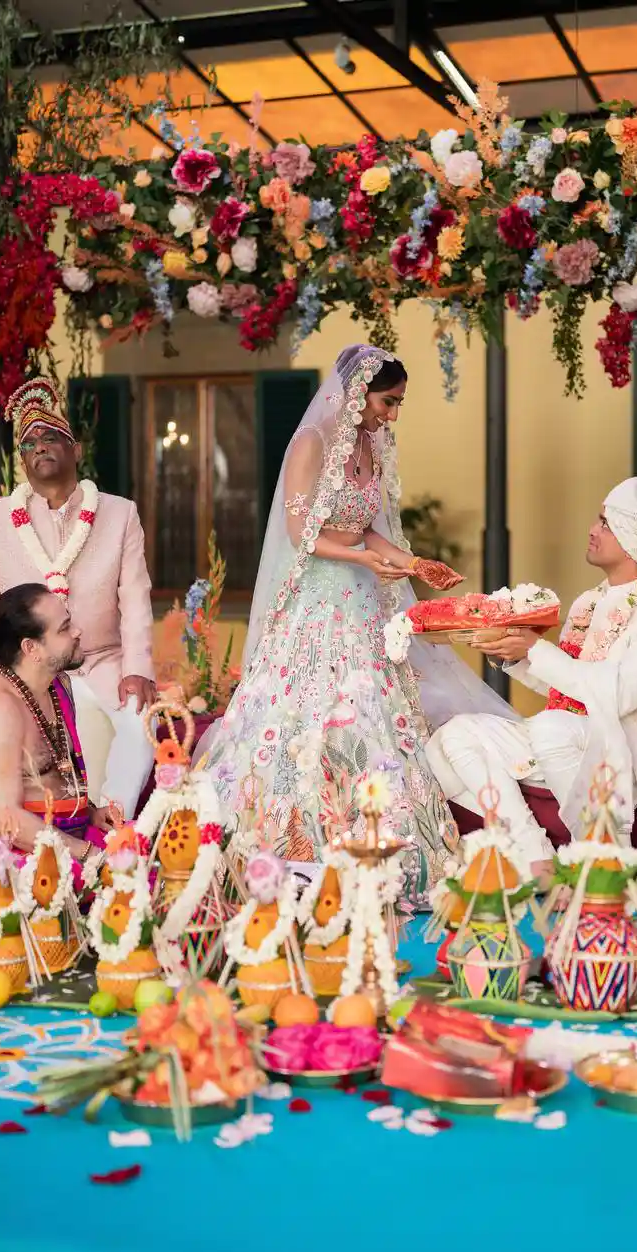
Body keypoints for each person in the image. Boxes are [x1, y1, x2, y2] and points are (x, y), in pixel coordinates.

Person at [202, 344, 514, 907]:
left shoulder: (371, 444)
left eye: (398, 404)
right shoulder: (311, 444)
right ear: (356, 392)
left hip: (365, 601)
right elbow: (302, 535)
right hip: (318, 605)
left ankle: (381, 852)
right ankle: (286, 847)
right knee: (305, 718)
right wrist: (364, 562)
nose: (391, 415)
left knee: (375, 717)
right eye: (387, 402)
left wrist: (411, 562)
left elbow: (364, 529)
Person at [426, 478, 637, 867]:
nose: (592, 529)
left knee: (553, 727)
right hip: (571, 732)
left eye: (605, 522)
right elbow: (569, 681)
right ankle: (535, 855)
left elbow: (618, 694)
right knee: (452, 737)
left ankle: (601, 860)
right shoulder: (592, 602)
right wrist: (512, 654)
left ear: (635, 538)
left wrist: (536, 648)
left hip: (636, 747)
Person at [0, 377, 155, 817]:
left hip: (102, 659)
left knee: (140, 722)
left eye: (50, 437)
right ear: (21, 461)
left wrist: (138, 669)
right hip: (26, 672)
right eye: (28, 443)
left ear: (76, 449)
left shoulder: (119, 514)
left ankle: (113, 824)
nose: (39, 446)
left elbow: (136, 597)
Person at [0, 583, 113, 857]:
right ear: (31, 648)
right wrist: (88, 855)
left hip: (74, 838)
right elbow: (5, 817)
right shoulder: (1, 708)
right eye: (64, 628)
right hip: (27, 857)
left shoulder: (59, 685)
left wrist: (90, 812)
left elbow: (58, 772)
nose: (77, 632)